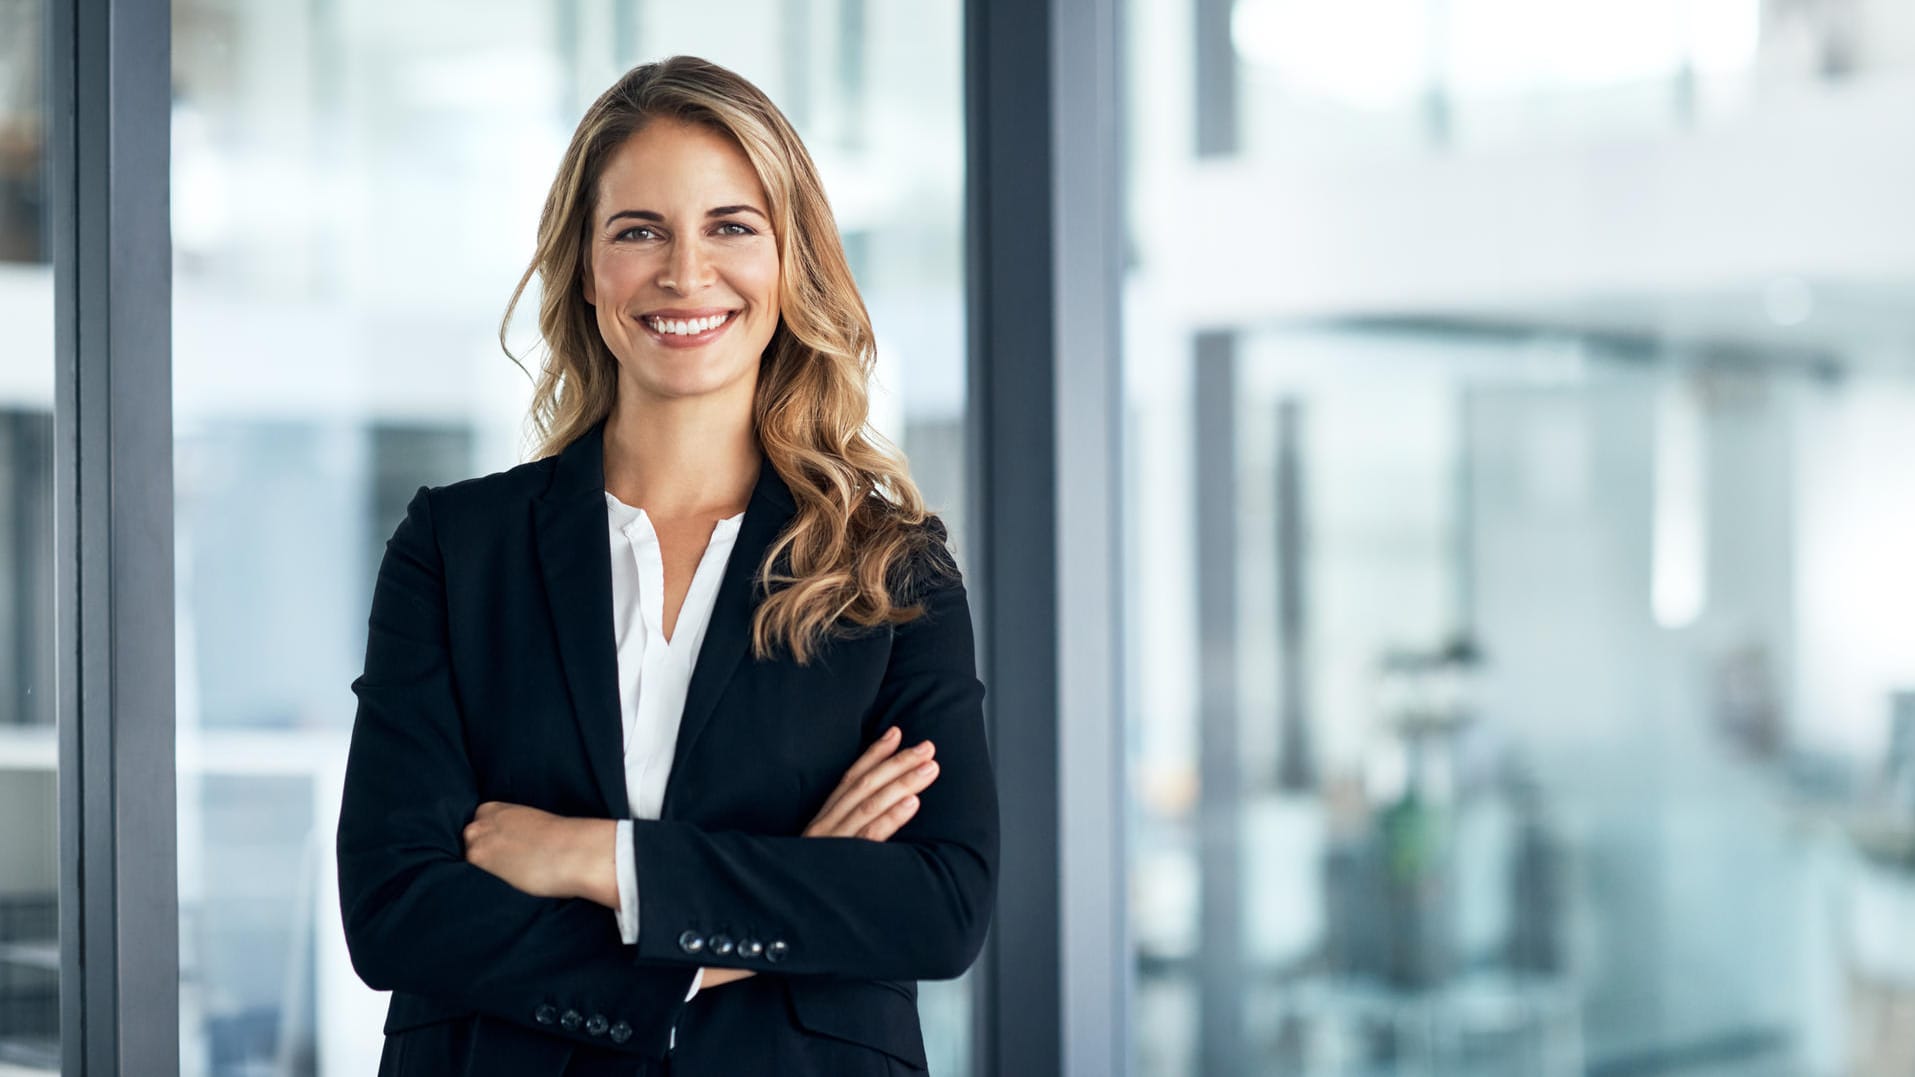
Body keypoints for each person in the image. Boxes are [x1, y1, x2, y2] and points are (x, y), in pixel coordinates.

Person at [335, 55, 998, 1077]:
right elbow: (395, 909)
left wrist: (593, 858)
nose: (685, 273)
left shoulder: (885, 570)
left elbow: (939, 906)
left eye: (730, 226)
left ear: (791, 263)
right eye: (638, 230)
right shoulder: (456, 549)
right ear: (586, 267)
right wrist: (784, 895)